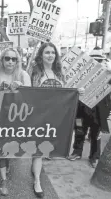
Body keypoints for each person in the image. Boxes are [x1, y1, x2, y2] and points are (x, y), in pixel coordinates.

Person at [31, 42, 84, 198]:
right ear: (41, 55)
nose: (50, 55)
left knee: (47, 147)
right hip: (39, 116)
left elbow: (65, 93)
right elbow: (30, 93)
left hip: (56, 117)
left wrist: (76, 91)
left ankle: (35, 169)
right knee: (38, 149)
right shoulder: (35, 72)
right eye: (47, 52)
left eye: (53, 53)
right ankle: (37, 182)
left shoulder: (60, 73)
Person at [0, 48, 31, 195]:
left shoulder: (23, 75)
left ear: (17, 61)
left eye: (13, 59)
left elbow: (32, 96)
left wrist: (21, 87)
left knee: (10, 147)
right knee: (0, 147)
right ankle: (3, 180)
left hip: (17, 118)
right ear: (2, 60)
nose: (10, 61)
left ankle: (7, 163)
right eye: (7, 58)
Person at [67, 47, 110, 168]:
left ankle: (94, 156)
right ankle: (77, 152)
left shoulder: (107, 76)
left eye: (99, 60)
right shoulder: (82, 74)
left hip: (97, 112)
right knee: (80, 130)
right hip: (81, 110)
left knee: (96, 134)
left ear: (103, 61)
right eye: (94, 59)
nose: (97, 62)